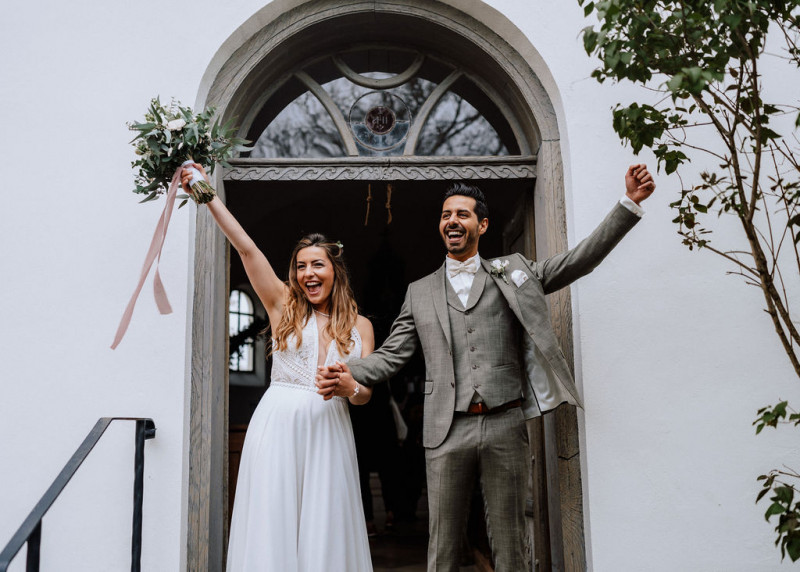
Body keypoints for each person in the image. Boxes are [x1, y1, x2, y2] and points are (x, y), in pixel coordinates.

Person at [317, 165, 655, 571]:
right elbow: (392, 354)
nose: (452, 221)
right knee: (443, 546)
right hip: (445, 429)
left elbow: (577, 261)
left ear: (482, 224)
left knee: (511, 544)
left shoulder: (515, 272)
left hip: (504, 423)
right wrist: (350, 370)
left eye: (462, 214)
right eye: (446, 215)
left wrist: (628, 204)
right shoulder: (419, 292)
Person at [180, 164, 375, 572]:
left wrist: (349, 388)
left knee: (326, 526)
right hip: (278, 425)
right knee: (273, 523)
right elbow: (246, 249)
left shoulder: (361, 327)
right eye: (301, 266)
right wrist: (206, 193)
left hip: (330, 432)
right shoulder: (283, 304)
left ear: (335, 271)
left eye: (317, 265)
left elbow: (365, 396)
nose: (308, 274)